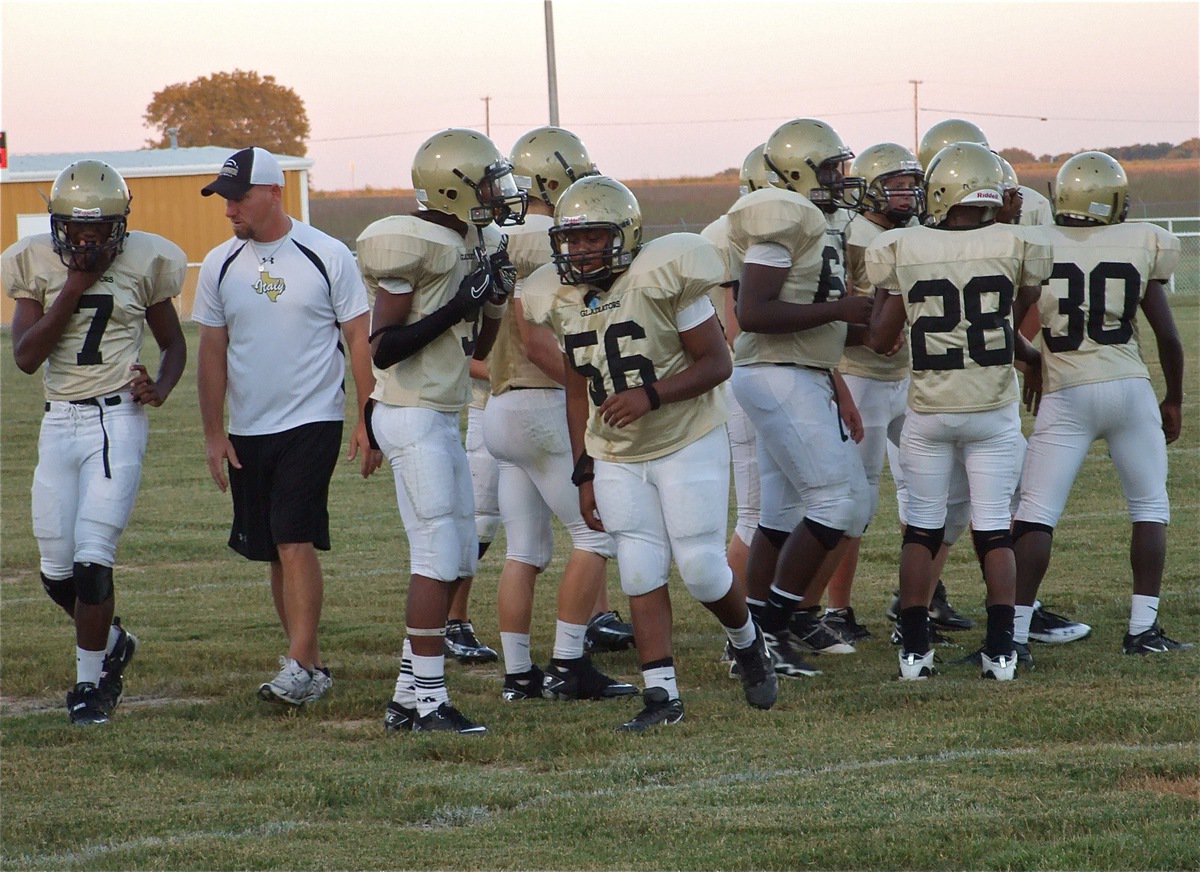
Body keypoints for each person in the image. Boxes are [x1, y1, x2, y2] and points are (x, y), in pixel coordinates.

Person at [523, 175, 777, 731]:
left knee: (703, 569)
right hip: (614, 452)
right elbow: (576, 388)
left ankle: (747, 640)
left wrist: (652, 395)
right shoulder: (561, 299)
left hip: (687, 436)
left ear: (626, 234)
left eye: (595, 237)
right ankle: (661, 696)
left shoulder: (665, 276)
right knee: (638, 565)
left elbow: (717, 364)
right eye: (574, 239)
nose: (583, 249)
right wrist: (584, 467)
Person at [4, 159, 187, 724]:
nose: (85, 239)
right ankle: (112, 641)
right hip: (58, 422)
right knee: (55, 573)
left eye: (98, 230)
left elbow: (173, 344)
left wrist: (159, 386)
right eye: (76, 229)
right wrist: (75, 286)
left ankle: (92, 685)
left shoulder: (146, 261)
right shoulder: (34, 262)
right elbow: (27, 357)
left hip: (115, 420)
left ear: (120, 225)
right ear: (57, 224)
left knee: (91, 561)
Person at [194, 146, 377, 707]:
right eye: (224, 199)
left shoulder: (327, 254)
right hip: (250, 428)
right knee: (275, 546)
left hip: (312, 419)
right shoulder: (218, 264)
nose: (229, 211)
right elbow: (212, 353)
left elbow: (358, 340)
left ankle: (297, 665)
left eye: (238, 197)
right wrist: (214, 434)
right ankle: (312, 664)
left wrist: (368, 419)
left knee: (294, 537)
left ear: (273, 193)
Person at [866, 142, 1052, 681]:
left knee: (921, 530)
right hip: (991, 411)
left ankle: (915, 652)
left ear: (941, 193)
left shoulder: (905, 246)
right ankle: (1001, 652)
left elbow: (880, 338)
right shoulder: (1016, 241)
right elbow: (1009, 316)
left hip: (929, 409)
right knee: (993, 531)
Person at [360, 128, 523, 735]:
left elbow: (475, 346)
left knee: (455, 552)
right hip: (408, 410)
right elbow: (384, 348)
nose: (496, 192)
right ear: (452, 186)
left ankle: (408, 696)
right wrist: (459, 303)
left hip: (440, 409)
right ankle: (427, 699)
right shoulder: (413, 243)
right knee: (434, 554)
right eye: (485, 181)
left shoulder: (475, 239)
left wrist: (493, 302)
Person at [1011, 151, 1189, 660]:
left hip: (1066, 391)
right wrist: (1173, 399)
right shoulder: (1140, 242)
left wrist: (1033, 361)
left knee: (1037, 514)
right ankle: (1142, 630)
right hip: (1129, 387)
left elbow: (999, 326)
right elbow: (1170, 340)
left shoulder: (1036, 244)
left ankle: (1016, 637)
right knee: (1150, 508)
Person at [482, 126, 635, 702]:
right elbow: (535, 333)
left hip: (500, 405)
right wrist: (591, 381)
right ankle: (569, 666)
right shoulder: (550, 237)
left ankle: (519, 674)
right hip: (543, 405)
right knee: (598, 536)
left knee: (525, 550)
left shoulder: (496, 234)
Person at [726, 118, 874, 675]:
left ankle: (758, 633)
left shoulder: (813, 221)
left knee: (782, 511)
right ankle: (774, 629)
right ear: (796, 172)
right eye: (832, 168)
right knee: (840, 501)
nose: (842, 178)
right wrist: (839, 311)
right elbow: (754, 312)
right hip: (776, 372)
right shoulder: (780, 220)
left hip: (799, 370)